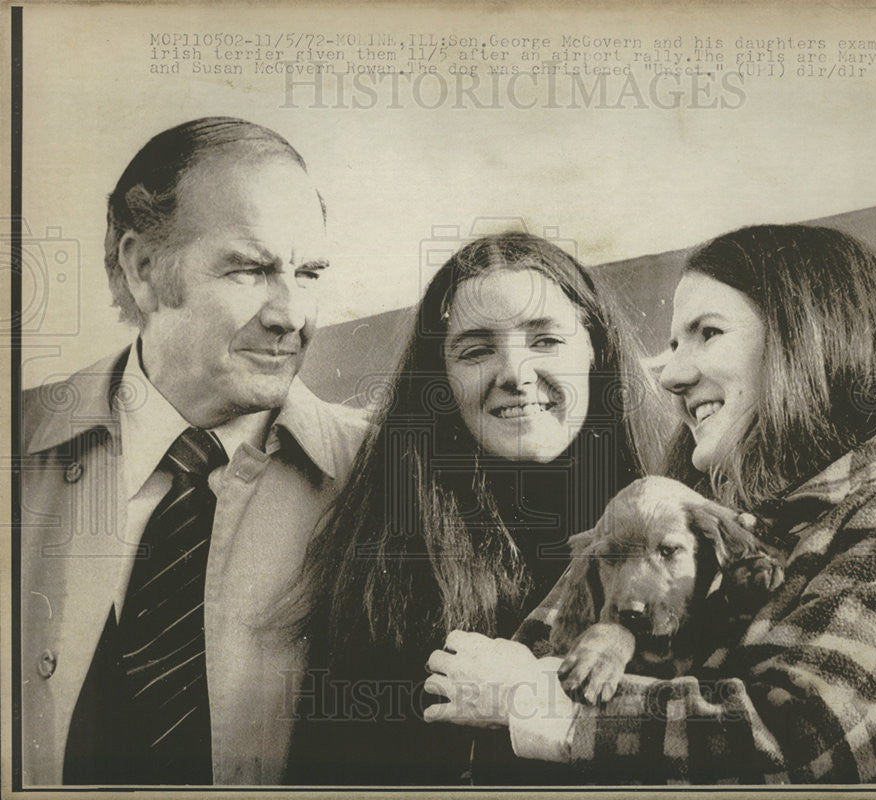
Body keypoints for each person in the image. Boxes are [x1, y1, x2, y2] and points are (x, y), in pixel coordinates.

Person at [423, 224, 876, 783]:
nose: (671, 374)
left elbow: (809, 741)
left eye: (707, 333)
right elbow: (511, 680)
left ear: (811, 341)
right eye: (672, 344)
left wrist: (538, 703)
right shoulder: (667, 508)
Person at [19, 117, 367, 786]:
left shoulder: (379, 479)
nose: (292, 314)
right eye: (250, 269)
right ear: (144, 269)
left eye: (310, 272)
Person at [281, 232, 668, 784]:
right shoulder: (388, 559)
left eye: (546, 340)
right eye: (477, 349)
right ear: (439, 380)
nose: (514, 372)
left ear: (597, 349)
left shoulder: (682, 514)